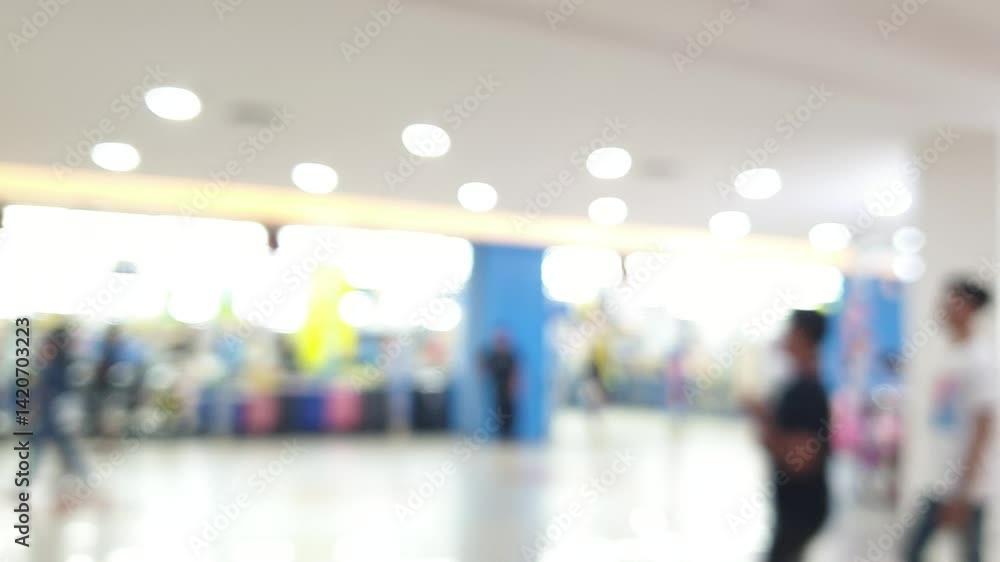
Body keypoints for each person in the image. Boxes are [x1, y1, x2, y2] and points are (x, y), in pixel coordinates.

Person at [905, 278, 994, 562]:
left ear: (969, 308)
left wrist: (963, 491)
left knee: (967, 554)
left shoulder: (981, 359)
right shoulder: (950, 355)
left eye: (951, 301)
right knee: (912, 550)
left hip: (965, 487)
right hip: (939, 480)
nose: (942, 308)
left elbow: (984, 426)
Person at [745, 310, 831, 562]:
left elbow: (803, 459)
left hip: (801, 509)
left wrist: (769, 434)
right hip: (792, 508)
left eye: (790, 330)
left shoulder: (809, 390)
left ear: (802, 336)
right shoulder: (796, 385)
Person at [36, 325, 88, 480]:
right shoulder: (63, 362)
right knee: (64, 447)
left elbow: (50, 389)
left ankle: (83, 477)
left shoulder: (57, 364)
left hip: (58, 411)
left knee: (63, 446)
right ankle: (82, 477)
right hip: (56, 410)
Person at [480, 330, 518, 439]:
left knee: (509, 412)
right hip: (497, 390)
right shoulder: (493, 357)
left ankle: (508, 434)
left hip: (509, 391)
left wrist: (515, 387)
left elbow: (516, 373)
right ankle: (501, 434)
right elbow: (484, 369)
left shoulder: (510, 357)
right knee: (497, 412)